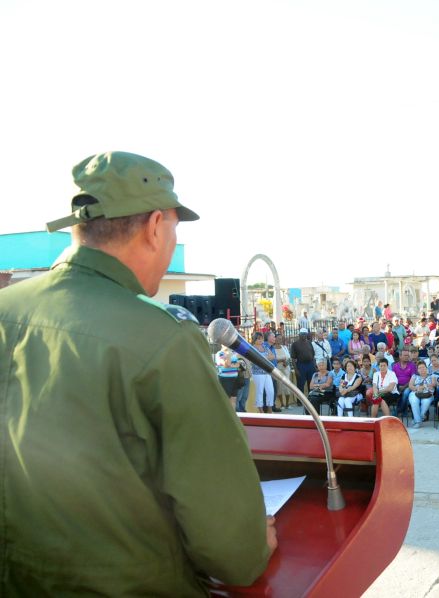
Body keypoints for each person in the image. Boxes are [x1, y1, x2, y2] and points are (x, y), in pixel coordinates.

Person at [0, 151, 274, 594]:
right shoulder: (164, 338)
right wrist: (255, 542)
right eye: (173, 228)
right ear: (154, 226)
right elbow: (234, 553)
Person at [290, 328, 316, 402]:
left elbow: (313, 356)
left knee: (311, 383)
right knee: (300, 384)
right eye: (302, 334)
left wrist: (314, 366)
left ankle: (311, 400)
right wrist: (296, 370)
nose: (304, 335)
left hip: (310, 365)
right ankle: (300, 401)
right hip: (301, 365)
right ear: (299, 335)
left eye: (305, 334)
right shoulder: (295, 344)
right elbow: (293, 359)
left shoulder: (309, 343)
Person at [408, 360, 435, 428]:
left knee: (425, 402)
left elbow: (434, 384)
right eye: (419, 368)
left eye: (423, 367)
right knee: (414, 401)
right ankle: (418, 421)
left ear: (426, 368)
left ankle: (418, 418)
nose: (422, 369)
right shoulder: (414, 376)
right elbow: (410, 386)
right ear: (417, 370)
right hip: (416, 392)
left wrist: (427, 386)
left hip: (428, 393)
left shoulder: (432, 375)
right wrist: (417, 388)